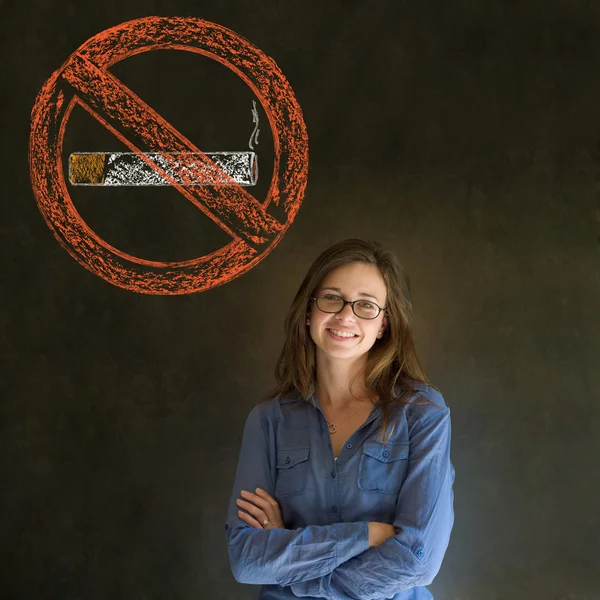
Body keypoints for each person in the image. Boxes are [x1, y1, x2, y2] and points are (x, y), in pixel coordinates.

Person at [224, 238, 455, 599]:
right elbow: (247, 560)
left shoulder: (423, 413)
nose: (346, 316)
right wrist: (365, 535)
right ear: (308, 312)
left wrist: (294, 567)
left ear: (384, 325)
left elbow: (418, 560)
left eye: (366, 305)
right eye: (331, 298)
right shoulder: (267, 421)